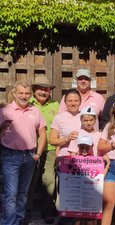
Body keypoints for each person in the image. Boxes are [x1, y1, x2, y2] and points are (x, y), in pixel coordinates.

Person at [0, 81, 47, 225]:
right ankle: (8, 222)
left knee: (23, 194)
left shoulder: (35, 110)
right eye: (20, 92)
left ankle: (19, 220)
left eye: (27, 93)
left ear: (31, 94)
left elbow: (42, 133)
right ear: (14, 93)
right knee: (10, 194)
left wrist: (38, 154)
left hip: (30, 156)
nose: (24, 96)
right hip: (10, 156)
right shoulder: (4, 110)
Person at [26, 75, 59, 224]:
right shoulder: (28, 104)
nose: (43, 92)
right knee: (29, 182)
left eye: (46, 89)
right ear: (33, 91)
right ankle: (26, 212)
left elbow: (60, 127)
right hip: (32, 148)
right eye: (39, 89)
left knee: (49, 182)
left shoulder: (55, 105)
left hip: (50, 149)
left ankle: (47, 212)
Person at [70, 134, 111, 225]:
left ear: (92, 146)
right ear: (78, 147)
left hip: (91, 195)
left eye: (87, 147)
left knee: (91, 221)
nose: (84, 149)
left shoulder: (96, 160)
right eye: (81, 147)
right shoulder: (73, 161)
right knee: (77, 221)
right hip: (77, 196)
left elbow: (100, 178)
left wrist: (107, 165)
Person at [49, 89, 82, 157]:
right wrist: (67, 139)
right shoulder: (59, 118)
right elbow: (52, 141)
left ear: (80, 102)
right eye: (70, 101)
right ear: (65, 102)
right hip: (65, 156)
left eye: (76, 101)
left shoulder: (85, 117)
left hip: (83, 157)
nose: (73, 103)